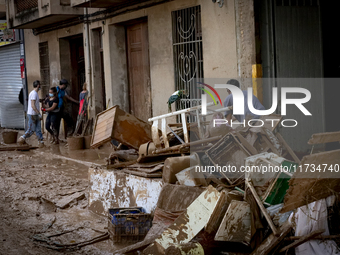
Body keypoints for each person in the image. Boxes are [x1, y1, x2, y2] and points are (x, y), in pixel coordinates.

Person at [18, 80, 44, 145]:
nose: (40, 86)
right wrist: (38, 113)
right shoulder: (34, 94)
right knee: (31, 130)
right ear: (38, 85)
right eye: (40, 85)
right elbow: (33, 105)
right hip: (33, 114)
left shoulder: (34, 93)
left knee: (38, 129)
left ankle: (41, 142)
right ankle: (21, 139)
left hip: (34, 114)